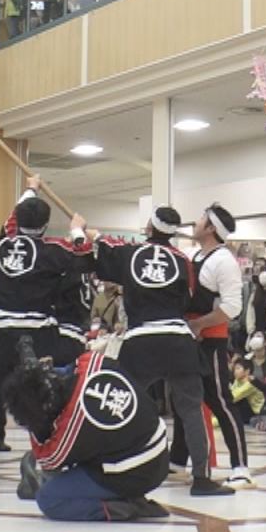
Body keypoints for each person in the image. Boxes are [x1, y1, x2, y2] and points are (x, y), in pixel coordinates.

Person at [77, 206, 230, 496]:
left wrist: (84, 232)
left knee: (120, 403)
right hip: (178, 340)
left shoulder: (131, 253)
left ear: (149, 226)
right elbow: (189, 297)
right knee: (191, 410)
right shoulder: (183, 260)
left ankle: (108, 467)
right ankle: (201, 478)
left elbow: (101, 255)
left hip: (141, 341)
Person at [0, 179, 89, 482]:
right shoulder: (52, 251)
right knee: (43, 397)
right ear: (45, 225)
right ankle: (49, 462)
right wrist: (78, 230)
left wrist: (31, 189)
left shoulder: (1, 245)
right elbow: (83, 256)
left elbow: (12, 220)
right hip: (37, 337)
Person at [4, 350, 173, 522]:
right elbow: (67, 370)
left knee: (49, 498)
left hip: (139, 471)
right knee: (83, 455)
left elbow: (47, 459)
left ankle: (125, 506)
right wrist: (38, 374)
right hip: (158, 444)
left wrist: (34, 424)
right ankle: (121, 493)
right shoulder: (92, 361)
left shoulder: (70, 429)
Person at [173, 203, 251, 485]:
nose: (195, 222)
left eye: (201, 219)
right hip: (190, 336)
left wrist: (198, 325)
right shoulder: (196, 256)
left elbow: (231, 308)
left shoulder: (224, 261)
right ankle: (177, 460)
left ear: (210, 228)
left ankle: (240, 465)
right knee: (185, 398)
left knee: (219, 401)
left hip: (211, 339)